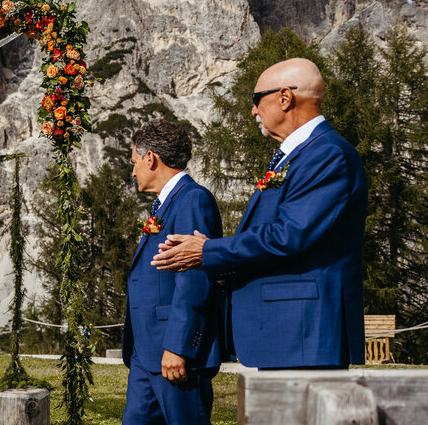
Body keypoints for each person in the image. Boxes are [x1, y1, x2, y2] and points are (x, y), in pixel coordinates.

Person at [152, 58, 368, 369]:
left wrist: (208, 251)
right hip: (286, 332)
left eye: (257, 99)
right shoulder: (297, 156)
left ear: (285, 97)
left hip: (305, 331)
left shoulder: (327, 153)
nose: (253, 110)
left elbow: (290, 235)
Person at [69, 120, 223, 425]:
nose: (132, 168)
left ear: (151, 158)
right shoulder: (164, 204)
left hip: (173, 350)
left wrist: (178, 346)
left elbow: (195, 278)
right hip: (146, 352)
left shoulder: (193, 200)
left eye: (134, 160)